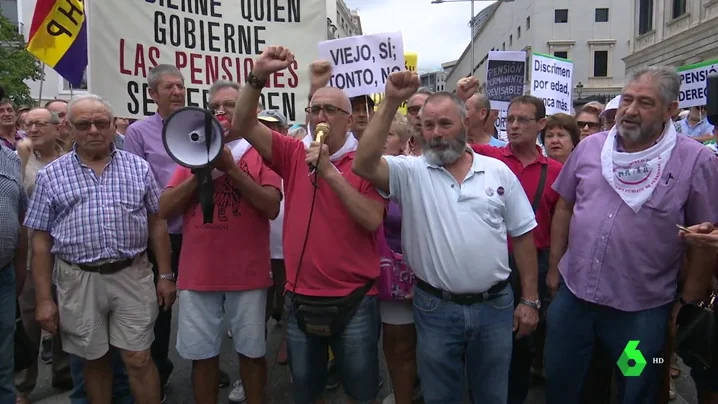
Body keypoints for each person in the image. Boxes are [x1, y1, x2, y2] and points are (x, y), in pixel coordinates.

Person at [352, 71, 540, 404]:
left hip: (495, 307)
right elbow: (364, 163)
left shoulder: (498, 172)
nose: (436, 133)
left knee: (492, 395)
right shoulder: (410, 172)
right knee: (441, 396)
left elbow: (523, 237)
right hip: (436, 308)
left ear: (465, 124)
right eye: (428, 126)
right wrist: (392, 99)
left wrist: (529, 300)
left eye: (445, 124)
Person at [544, 66, 718, 403]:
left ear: (670, 109)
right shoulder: (590, 147)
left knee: (636, 384)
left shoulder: (695, 160)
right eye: (627, 99)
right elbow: (565, 207)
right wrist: (554, 269)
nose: (631, 110)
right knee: (564, 382)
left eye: (645, 103)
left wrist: (686, 304)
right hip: (574, 301)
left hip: (640, 314)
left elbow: (704, 240)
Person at [232, 46, 386, 404]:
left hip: (356, 299)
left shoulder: (367, 162)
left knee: (361, 391)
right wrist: (258, 75)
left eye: (330, 109)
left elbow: (371, 219)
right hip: (300, 296)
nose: (320, 116)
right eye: (314, 109)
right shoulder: (291, 152)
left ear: (349, 119)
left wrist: (329, 173)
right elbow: (243, 124)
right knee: (305, 389)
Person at [24, 94, 177, 403]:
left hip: (132, 275)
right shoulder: (50, 176)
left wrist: (166, 275)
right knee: (94, 361)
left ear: (111, 126)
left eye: (101, 123)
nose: (93, 130)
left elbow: (157, 223)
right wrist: (43, 300)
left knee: (139, 358)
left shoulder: (139, 168)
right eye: (84, 124)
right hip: (78, 280)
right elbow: (39, 241)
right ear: (68, 127)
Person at [0, 129, 28, 403]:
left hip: (4, 275)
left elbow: (21, 216)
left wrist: (20, 267)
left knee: (3, 357)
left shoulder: (10, 158)